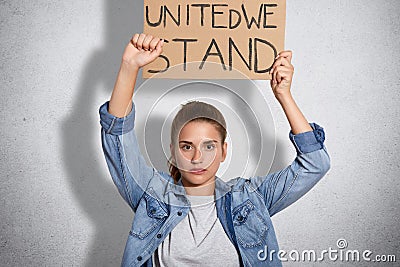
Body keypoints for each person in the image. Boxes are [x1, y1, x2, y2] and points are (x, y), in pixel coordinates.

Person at [99, 33, 330, 267]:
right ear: (173, 151)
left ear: (223, 151)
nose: (197, 158)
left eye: (209, 146)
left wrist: (284, 95)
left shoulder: (250, 199)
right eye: (186, 146)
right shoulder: (152, 195)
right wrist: (129, 67)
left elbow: (315, 163)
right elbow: (117, 137)